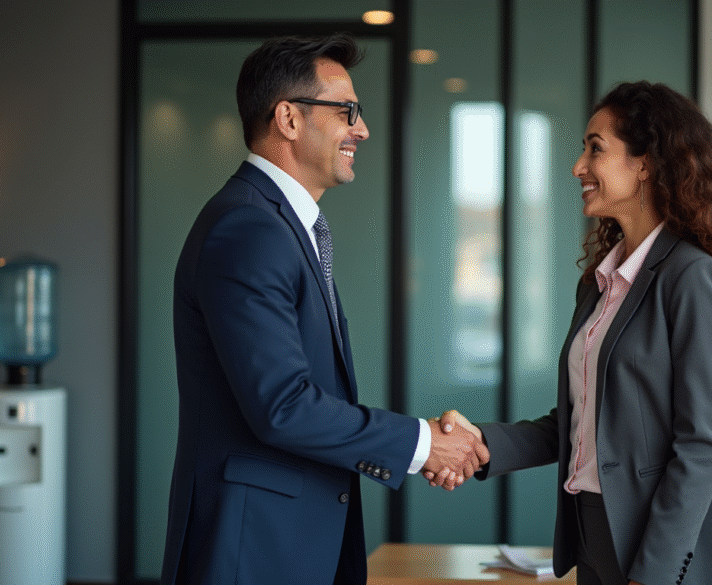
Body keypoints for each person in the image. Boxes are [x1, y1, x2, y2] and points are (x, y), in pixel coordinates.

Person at [162, 33, 487, 585]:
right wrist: (423, 443)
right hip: (252, 550)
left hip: (289, 540)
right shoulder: (250, 229)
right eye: (347, 111)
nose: (361, 129)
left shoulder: (280, 223)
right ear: (288, 118)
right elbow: (283, 405)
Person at [430, 81, 712, 585]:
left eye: (595, 149)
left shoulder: (691, 276)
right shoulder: (599, 283)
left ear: (645, 163)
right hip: (593, 533)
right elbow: (578, 423)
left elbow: (699, 445)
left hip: (664, 552)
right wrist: (481, 443)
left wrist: (652, 573)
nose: (578, 167)